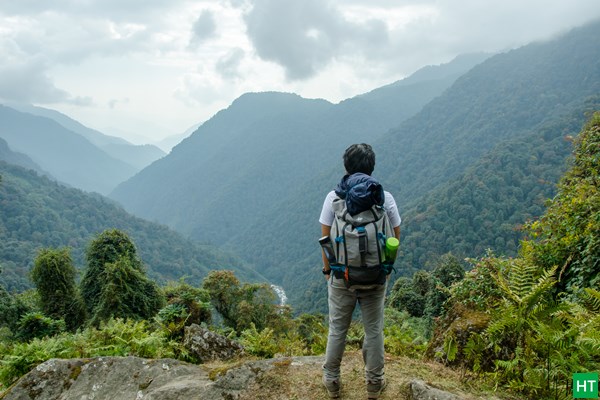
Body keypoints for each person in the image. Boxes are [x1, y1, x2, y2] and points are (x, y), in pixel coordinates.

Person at [319, 143, 401, 399]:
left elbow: (325, 238)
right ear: (372, 168)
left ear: (346, 167)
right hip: (375, 277)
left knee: (337, 329)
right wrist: (385, 269)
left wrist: (328, 271)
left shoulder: (333, 198)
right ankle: (374, 386)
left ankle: (332, 383)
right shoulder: (384, 198)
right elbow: (395, 236)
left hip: (341, 276)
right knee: (374, 329)